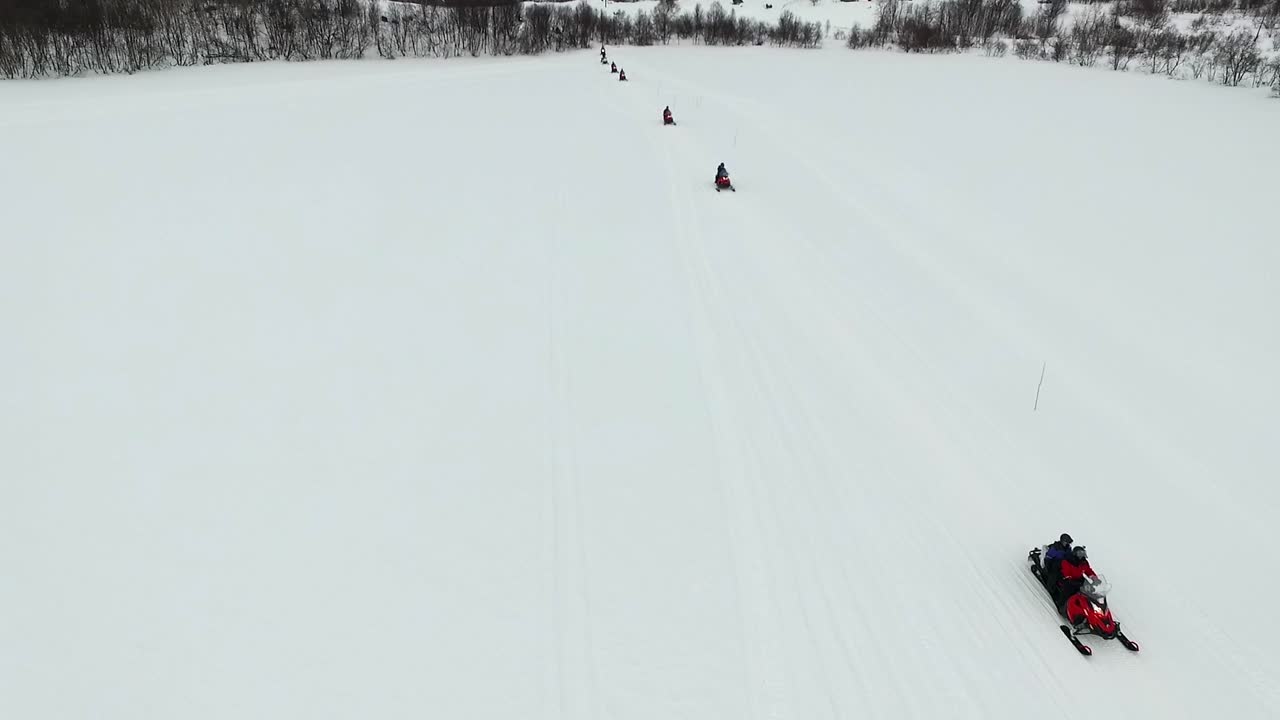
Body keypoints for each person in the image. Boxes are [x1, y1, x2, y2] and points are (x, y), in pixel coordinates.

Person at [1055, 545, 1098, 614]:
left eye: (1083, 553)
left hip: (1078, 580)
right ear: (1075, 553)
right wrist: (1069, 578)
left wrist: (1094, 578)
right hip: (1067, 580)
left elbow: (1089, 571)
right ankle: (1061, 605)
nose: (1081, 556)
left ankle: (1092, 608)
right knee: (1068, 589)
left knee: (1090, 590)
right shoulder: (1068, 560)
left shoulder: (1084, 562)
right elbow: (1066, 572)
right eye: (1080, 553)